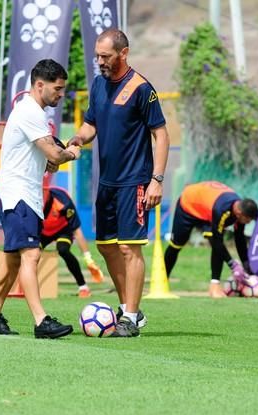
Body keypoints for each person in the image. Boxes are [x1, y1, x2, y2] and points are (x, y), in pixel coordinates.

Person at [68, 29, 170, 337]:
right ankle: (128, 308)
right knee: (107, 246)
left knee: (129, 248)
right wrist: (77, 139)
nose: (99, 61)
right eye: (97, 56)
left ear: (123, 54)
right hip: (107, 182)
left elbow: (161, 135)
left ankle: (130, 315)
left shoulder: (142, 88)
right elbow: (91, 125)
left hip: (135, 181)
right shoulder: (99, 84)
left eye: (106, 56)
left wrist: (157, 180)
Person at [0, 59, 81, 339]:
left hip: (23, 194)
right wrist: (71, 152)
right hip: (18, 195)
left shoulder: (34, 113)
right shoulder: (29, 112)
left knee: (13, 261)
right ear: (40, 85)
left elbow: (48, 160)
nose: (61, 94)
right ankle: (41, 320)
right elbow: (54, 155)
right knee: (31, 254)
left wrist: (56, 158)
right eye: (57, 89)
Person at [163, 181, 258, 298]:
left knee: (215, 243)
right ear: (240, 213)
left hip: (207, 210)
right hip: (188, 203)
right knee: (176, 245)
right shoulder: (222, 210)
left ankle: (215, 287)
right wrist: (233, 265)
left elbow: (239, 239)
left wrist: (246, 267)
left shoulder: (239, 209)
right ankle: (162, 281)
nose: (248, 223)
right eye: (248, 220)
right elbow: (217, 241)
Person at [41, 186, 104, 298]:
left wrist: (88, 259)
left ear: (47, 191)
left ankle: (83, 287)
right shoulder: (30, 199)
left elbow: (77, 232)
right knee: (30, 253)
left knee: (63, 250)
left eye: (43, 191)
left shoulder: (63, 201)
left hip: (62, 230)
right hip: (42, 232)